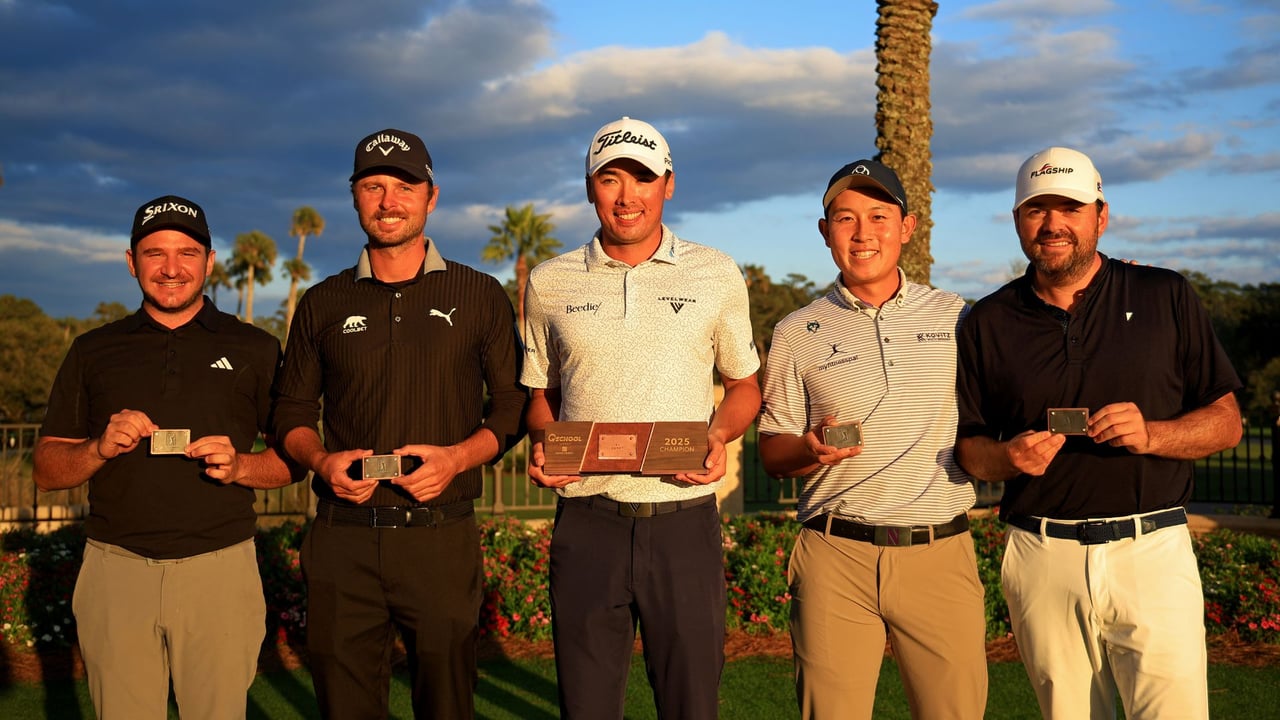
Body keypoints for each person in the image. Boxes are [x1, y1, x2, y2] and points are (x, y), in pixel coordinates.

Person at [955, 147, 1243, 719]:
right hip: (1042, 555)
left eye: (1071, 208)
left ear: (1101, 215)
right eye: (1037, 210)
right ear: (1017, 221)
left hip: (1151, 549)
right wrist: (1009, 457)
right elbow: (971, 450)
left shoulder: (1164, 296)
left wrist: (1154, 434)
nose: (1053, 224)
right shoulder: (989, 321)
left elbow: (1227, 421)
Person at [272, 128, 525, 720]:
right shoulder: (322, 301)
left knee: (447, 707)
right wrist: (320, 460)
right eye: (373, 186)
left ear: (431, 197)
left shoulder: (480, 293)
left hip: (440, 537)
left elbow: (511, 406)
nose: (389, 200)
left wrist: (458, 459)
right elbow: (290, 412)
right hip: (344, 538)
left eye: (404, 186)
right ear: (355, 196)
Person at [521, 116, 761, 719]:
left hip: (683, 525)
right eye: (610, 179)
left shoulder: (716, 273)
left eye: (643, 178)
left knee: (691, 705)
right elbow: (539, 395)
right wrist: (544, 442)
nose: (627, 196)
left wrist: (718, 432)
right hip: (587, 522)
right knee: (588, 706)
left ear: (669, 184)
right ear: (589, 187)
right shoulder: (549, 281)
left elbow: (744, 386)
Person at [32, 195, 302, 719]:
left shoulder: (255, 347)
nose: (171, 268)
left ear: (209, 260)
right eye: (155, 253)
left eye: (187, 252)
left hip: (220, 570)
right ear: (131, 261)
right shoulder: (94, 350)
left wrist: (243, 465)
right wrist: (97, 447)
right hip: (116, 571)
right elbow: (45, 470)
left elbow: (293, 460)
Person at [756, 160, 988, 719]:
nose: (863, 233)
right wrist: (808, 449)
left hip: (939, 553)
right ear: (825, 231)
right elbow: (771, 451)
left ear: (907, 226)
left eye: (879, 216)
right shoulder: (796, 330)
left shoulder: (960, 318)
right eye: (845, 218)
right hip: (834, 554)